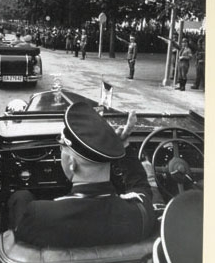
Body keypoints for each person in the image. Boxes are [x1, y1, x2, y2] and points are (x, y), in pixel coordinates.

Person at [8, 102, 155, 248]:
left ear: (72, 163)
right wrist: (124, 147)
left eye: (62, 147)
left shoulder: (39, 215)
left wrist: (21, 197)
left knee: (21, 197)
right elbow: (142, 188)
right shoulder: (140, 213)